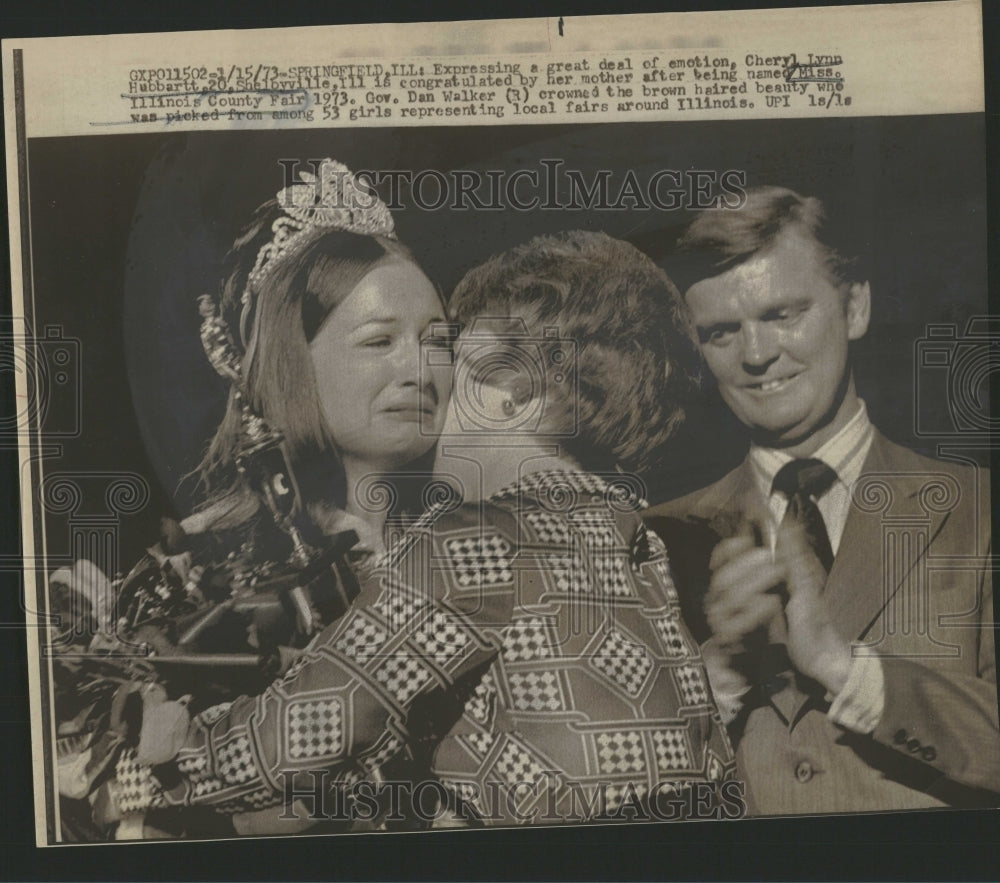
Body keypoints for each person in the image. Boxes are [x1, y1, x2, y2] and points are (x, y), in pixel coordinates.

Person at [122, 230, 738, 830]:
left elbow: (307, 727)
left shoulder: (474, 538)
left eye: (452, 357)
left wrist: (132, 772)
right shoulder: (636, 542)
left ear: (508, 395)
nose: (427, 381)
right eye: (381, 341)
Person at [51, 158, 453, 838]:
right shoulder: (188, 584)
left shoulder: (478, 540)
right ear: (289, 362)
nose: (419, 368)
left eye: (438, 340)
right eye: (379, 340)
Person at [644, 186, 998, 815]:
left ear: (855, 307)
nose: (757, 355)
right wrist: (718, 676)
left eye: (784, 314)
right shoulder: (651, 537)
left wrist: (846, 668)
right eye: (723, 332)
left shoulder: (980, 509)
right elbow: (608, 790)